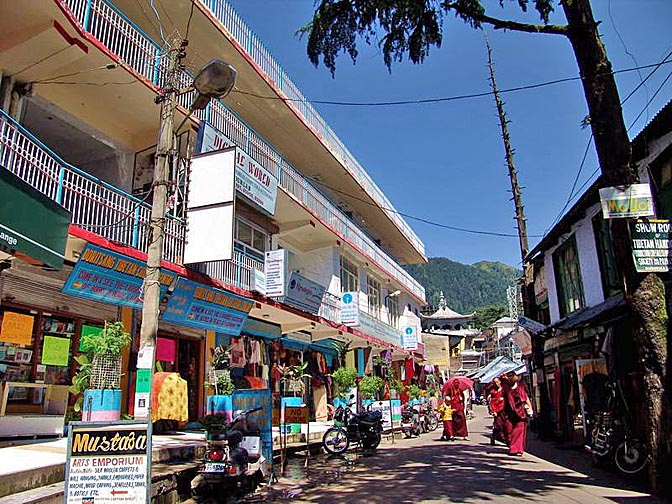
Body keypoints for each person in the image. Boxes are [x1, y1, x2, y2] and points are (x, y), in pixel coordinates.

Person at [503, 371, 533, 456]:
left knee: (519, 431)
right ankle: (513, 446)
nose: (510, 378)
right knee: (509, 430)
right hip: (509, 412)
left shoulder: (520, 387)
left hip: (520, 412)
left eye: (512, 376)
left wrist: (530, 408)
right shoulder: (506, 388)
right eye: (509, 376)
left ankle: (516, 449)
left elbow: (525, 398)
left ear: (516, 377)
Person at [487, 376, 507, 446]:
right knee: (498, 425)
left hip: (504, 410)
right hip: (497, 410)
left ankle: (506, 439)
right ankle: (494, 437)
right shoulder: (493, 391)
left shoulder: (504, 390)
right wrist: (493, 411)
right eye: (495, 382)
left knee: (505, 424)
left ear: (500, 382)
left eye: (497, 382)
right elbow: (492, 402)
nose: (496, 384)